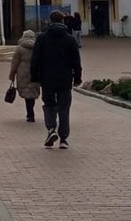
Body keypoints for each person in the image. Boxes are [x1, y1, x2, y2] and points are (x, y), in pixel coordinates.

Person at [30, 10, 82, 150]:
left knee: (49, 105)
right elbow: (76, 61)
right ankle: (63, 139)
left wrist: (34, 77)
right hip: (65, 79)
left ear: (50, 21)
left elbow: (35, 59)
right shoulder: (70, 39)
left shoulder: (42, 38)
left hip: (47, 79)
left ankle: (51, 129)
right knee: (64, 109)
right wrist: (77, 78)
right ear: (63, 21)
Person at [7, 30, 40, 122]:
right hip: (35, 72)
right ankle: (31, 112)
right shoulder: (37, 47)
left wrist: (12, 75)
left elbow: (15, 63)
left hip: (23, 72)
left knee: (26, 93)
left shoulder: (19, 48)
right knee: (32, 92)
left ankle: (30, 114)